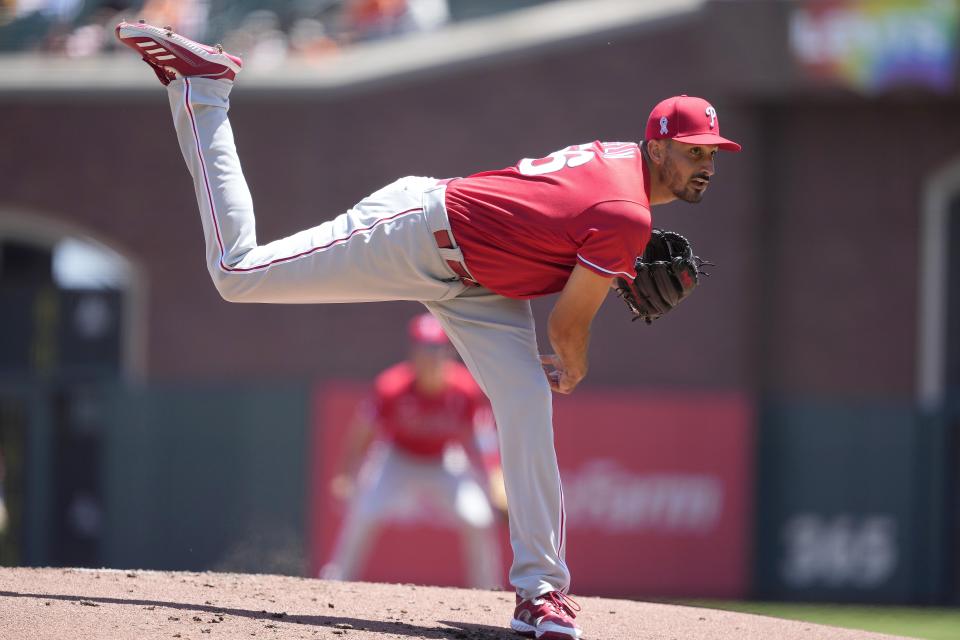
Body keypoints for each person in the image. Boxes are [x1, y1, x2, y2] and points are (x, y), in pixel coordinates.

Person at [115, 20, 742, 640]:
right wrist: (575, 361)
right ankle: (206, 90)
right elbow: (568, 326)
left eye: (712, 153)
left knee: (524, 402)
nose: (706, 164)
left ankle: (541, 592)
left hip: (487, 286)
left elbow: (562, 222)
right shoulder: (626, 211)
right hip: (419, 234)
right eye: (694, 151)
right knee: (238, 272)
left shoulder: (621, 165)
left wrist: (605, 265)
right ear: (658, 146)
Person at [320, 312, 505, 589]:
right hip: (396, 458)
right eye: (424, 349)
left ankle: (490, 591)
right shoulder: (392, 386)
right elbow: (362, 433)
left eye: (436, 349)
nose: (430, 357)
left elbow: (484, 438)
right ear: (413, 352)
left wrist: (495, 480)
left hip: (444, 460)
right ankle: (335, 580)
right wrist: (346, 474)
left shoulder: (465, 389)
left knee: (478, 518)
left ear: (448, 352)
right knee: (364, 512)